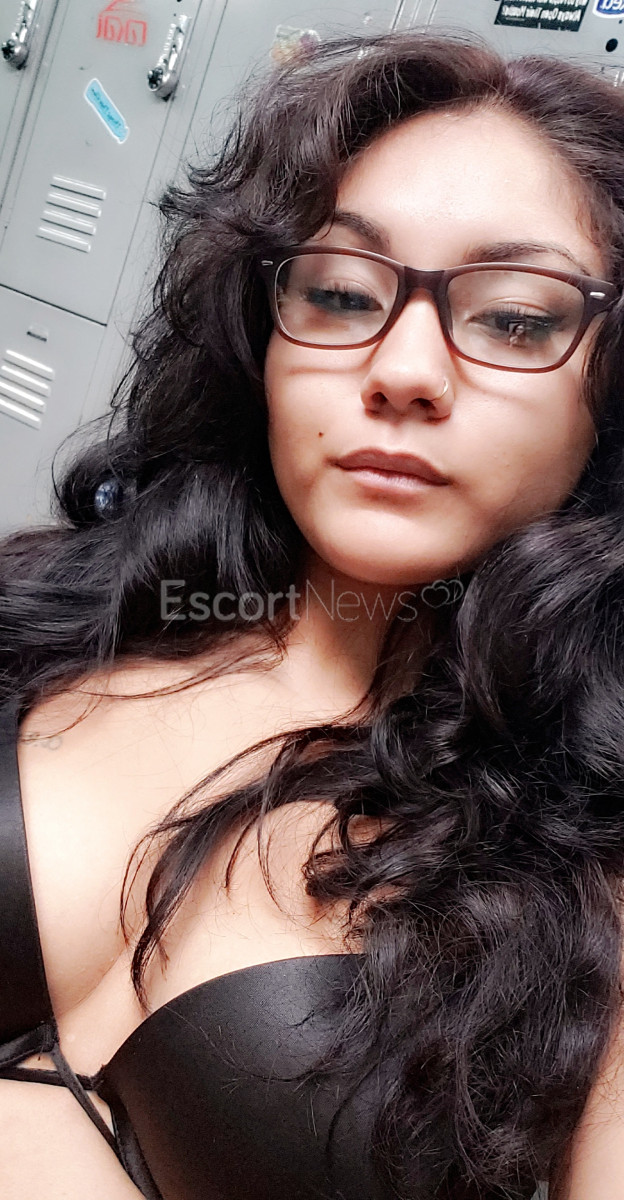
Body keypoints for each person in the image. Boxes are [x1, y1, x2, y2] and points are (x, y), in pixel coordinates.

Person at [1, 25, 624, 1200]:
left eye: (512, 318)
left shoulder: (598, 864)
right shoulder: (70, 608)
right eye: (341, 293)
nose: (404, 369)